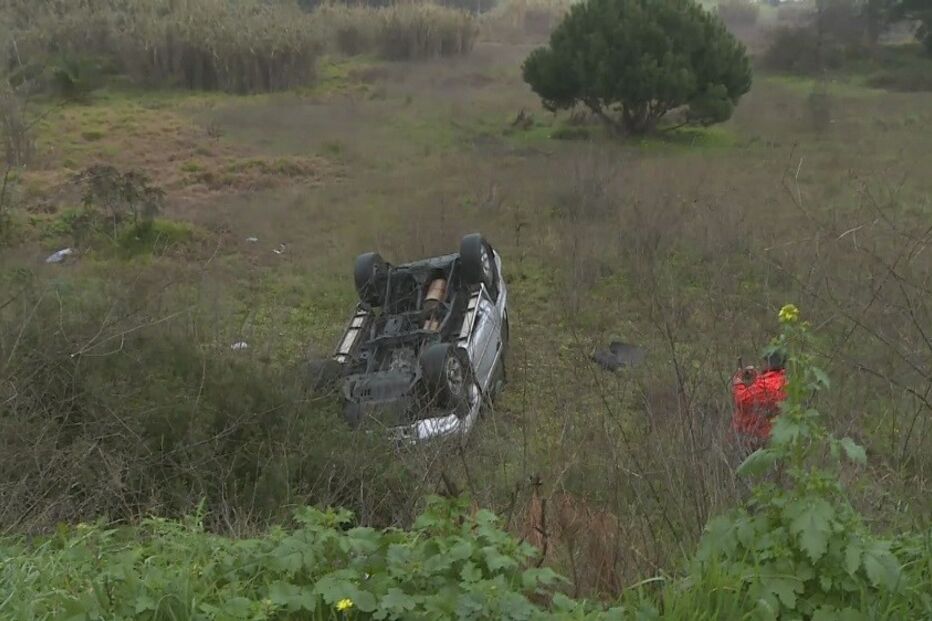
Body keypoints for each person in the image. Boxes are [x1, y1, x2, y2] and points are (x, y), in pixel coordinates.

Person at [731, 348, 788, 454]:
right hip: (769, 436)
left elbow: (741, 400)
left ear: (770, 363)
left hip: (754, 438)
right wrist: (754, 377)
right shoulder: (782, 381)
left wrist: (738, 381)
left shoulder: (768, 385)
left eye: (765, 361)